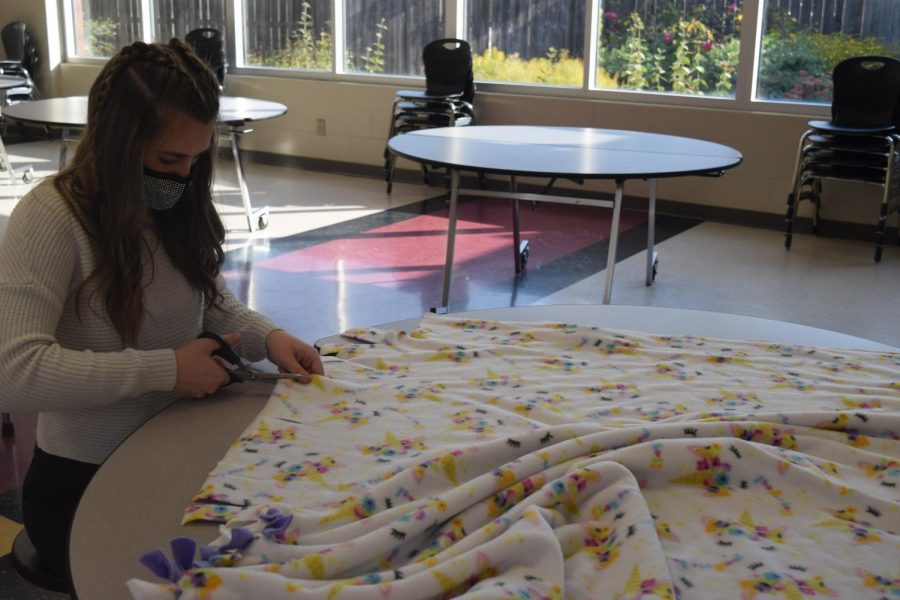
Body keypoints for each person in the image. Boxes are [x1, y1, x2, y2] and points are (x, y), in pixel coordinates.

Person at [0, 38, 324, 578]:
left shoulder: (169, 201)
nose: (182, 176)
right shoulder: (51, 218)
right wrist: (167, 370)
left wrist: (268, 337)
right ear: (116, 144)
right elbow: (13, 372)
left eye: (197, 160)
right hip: (87, 479)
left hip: (176, 446)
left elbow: (206, 299)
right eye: (168, 159)